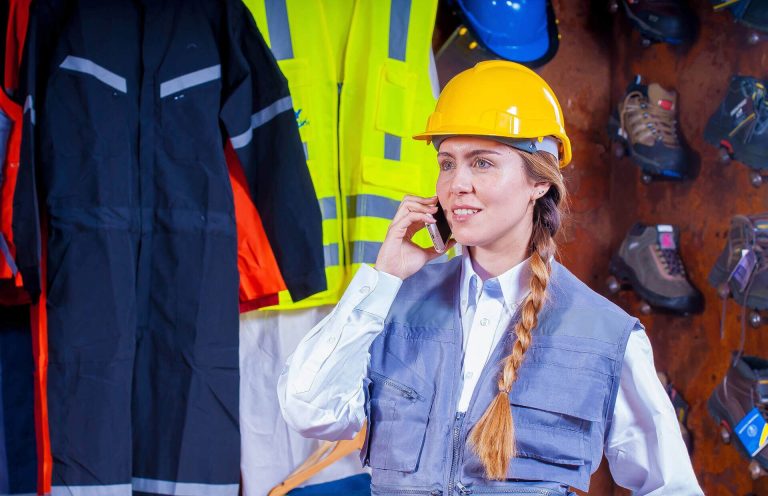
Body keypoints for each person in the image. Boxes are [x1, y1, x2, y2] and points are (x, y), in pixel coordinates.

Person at [277, 61, 703, 496]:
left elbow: (673, 488)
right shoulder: (390, 304)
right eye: (447, 163)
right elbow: (309, 410)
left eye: (482, 163)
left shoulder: (606, 335)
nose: (456, 184)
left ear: (539, 182)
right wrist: (384, 279)